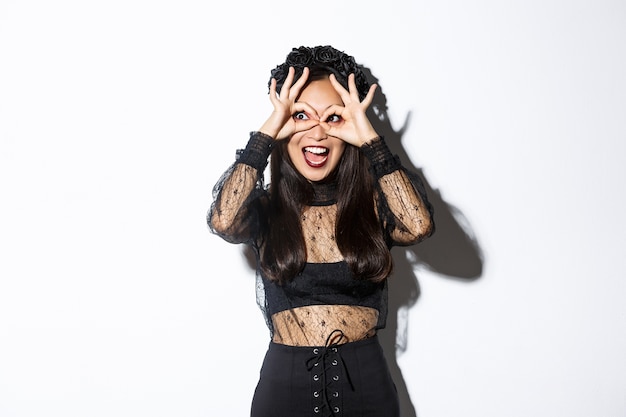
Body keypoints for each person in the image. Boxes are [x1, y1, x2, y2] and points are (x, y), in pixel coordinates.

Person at [208, 45, 434, 417]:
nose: (317, 133)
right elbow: (223, 219)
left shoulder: (373, 207)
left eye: (333, 119)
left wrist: (370, 140)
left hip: (368, 391)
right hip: (284, 392)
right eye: (301, 116)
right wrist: (269, 130)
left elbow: (418, 224)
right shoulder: (267, 209)